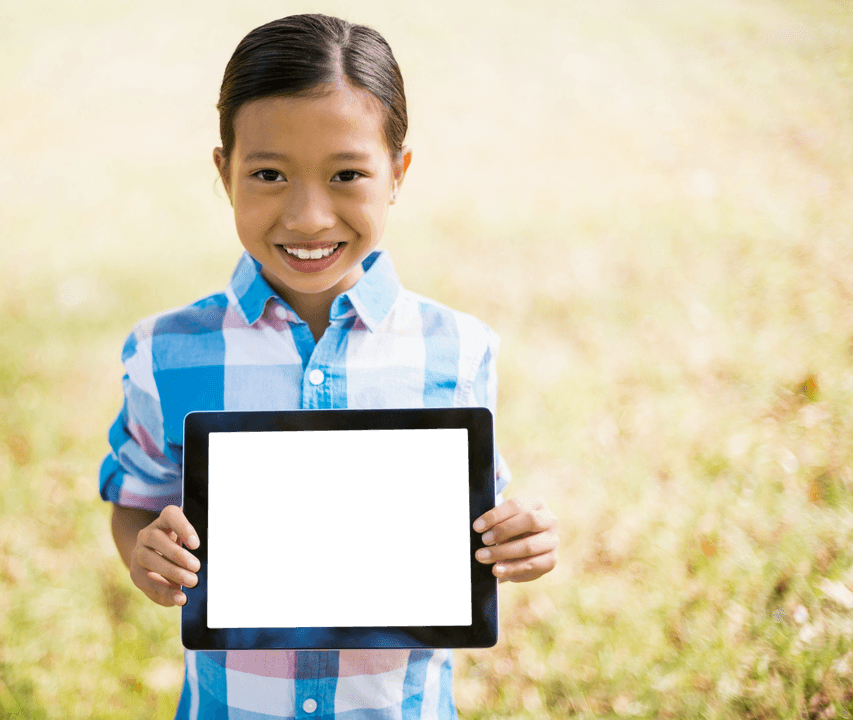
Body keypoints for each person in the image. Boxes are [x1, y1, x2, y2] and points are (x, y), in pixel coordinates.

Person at [101, 13, 559, 719]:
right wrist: (146, 554)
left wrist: (516, 539)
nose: (310, 216)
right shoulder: (166, 354)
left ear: (398, 173)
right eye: (269, 174)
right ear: (224, 173)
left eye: (347, 174)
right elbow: (136, 503)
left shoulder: (459, 351)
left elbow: (478, 522)